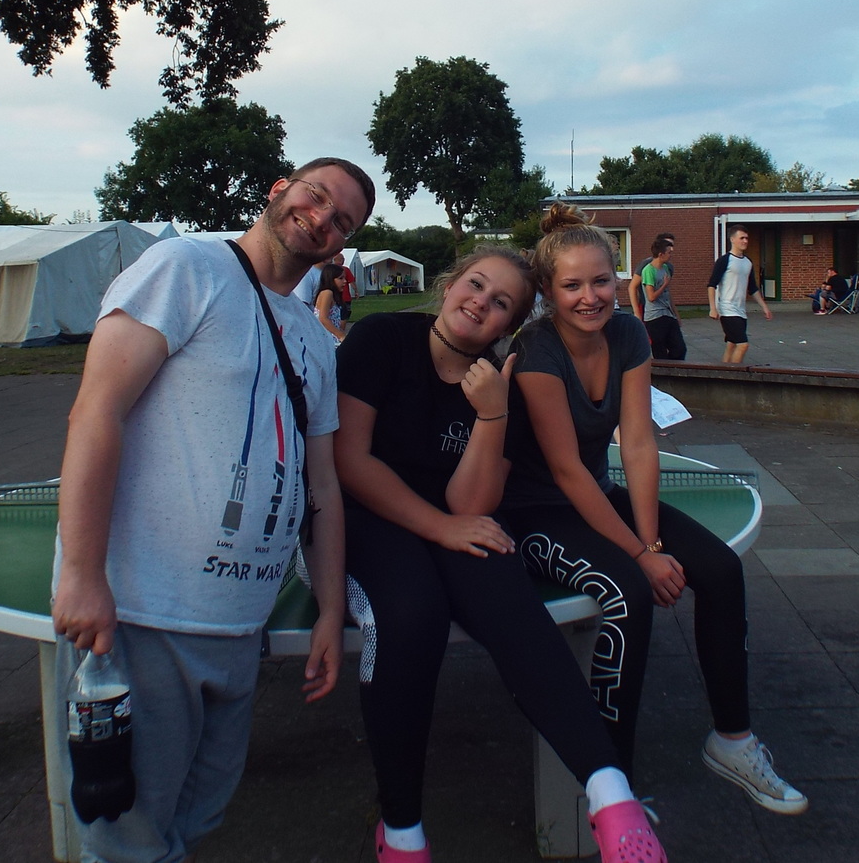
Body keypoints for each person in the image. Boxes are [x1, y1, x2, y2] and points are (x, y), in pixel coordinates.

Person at [52, 157, 374, 863]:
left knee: (194, 819)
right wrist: (81, 572)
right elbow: (97, 411)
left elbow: (322, 487)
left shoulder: (314, 338)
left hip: (240, 625)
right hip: (145, 613)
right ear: (279, 188)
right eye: (316, 195)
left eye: (342, 219)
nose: (322, 218)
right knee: (129, 839)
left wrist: (328, 611)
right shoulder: (186, 268)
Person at [335, 245, 665, 863]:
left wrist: (491, 414)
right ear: (450, 284)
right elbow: (349, 461)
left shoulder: (500, 381)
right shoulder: (383, 338)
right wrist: (439, 527)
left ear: (509, 327)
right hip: (363, 519)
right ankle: (401, 831)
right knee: (411, 616)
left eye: (501, 303)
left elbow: (472, 503)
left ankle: (610, 795)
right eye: (476, 285)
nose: (480, 303)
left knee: (512, 605)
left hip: (452, 521)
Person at [503, 203, 807, 820]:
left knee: (719, 569)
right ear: (548, 291)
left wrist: (651, 542)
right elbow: (564, 469)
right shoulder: (536, 349)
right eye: (572, 285)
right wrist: (640, 559)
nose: (590, 296)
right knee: (630, 595)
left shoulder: (628, 334)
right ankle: (612, 784)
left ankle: (732, 740)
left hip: (595, 491)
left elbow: (638, 442)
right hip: (536, 509)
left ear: (618, 279)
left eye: (601, 281)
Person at [706, 225, 771, 363]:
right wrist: (713, 308)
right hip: (727, 309)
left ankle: (723, 372)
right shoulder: (724, 260)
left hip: (741, 311)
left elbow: (752, 288)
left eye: (747, 238)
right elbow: (712, 285)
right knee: (743, 345)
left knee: (732, 344)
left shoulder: (748, 262)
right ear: (732, 239)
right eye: (742, 238)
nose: (745, 241)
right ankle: (734, 372)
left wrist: (764, 307)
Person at [640, 238, 686, 360]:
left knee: (679, 348)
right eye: (669, 252)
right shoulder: (649, 270)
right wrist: (664, 284)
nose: (671, 255)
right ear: (661, 254)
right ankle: (663, 370)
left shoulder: (665, 268)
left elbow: (668, 295)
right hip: (655, 317)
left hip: (668, 314)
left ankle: (674, 369)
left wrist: (676, 315)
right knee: (660, 352)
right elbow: (651, 297)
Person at [627, 231, 676, 318]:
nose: (671, 249)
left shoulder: (668, 267)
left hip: (665, 309)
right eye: (668, 245)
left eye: (672, 245)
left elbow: (666, 291)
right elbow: (632, 287)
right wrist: (637, 312)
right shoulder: (647, 266)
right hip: (648, 308)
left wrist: (675, 313)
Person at [314, 262, 347, 343]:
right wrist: (341, 335)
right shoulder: (327, 293)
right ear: (330, 279)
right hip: (326, 338)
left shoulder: (333, 295)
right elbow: (323, 318)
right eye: (340, 278)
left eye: (344, 278)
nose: (345, 281)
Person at [332, 251, 357, 332]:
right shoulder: (345, 269)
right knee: (344, 316)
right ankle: (341, 332)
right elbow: (352, 282)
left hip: (333, 297)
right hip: (345, 297)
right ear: (341, 260)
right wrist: (356, 291)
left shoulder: (329, 270)